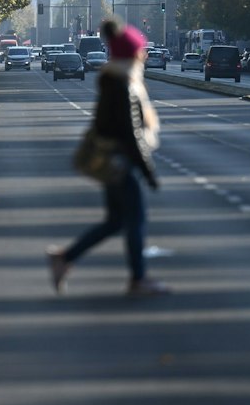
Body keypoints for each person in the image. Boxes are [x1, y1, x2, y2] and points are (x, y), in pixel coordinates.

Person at [48, 22, 169, 298]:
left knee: (116, 221)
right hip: (121, 162)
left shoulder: (114, 79)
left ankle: (64, 258)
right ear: (132, 54)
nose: (144, 55)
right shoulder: (124, 84)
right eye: (141, 51)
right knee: (135, 220)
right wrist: (148, 171)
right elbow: (131, 132)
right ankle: (138, 279)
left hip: (114, 159)